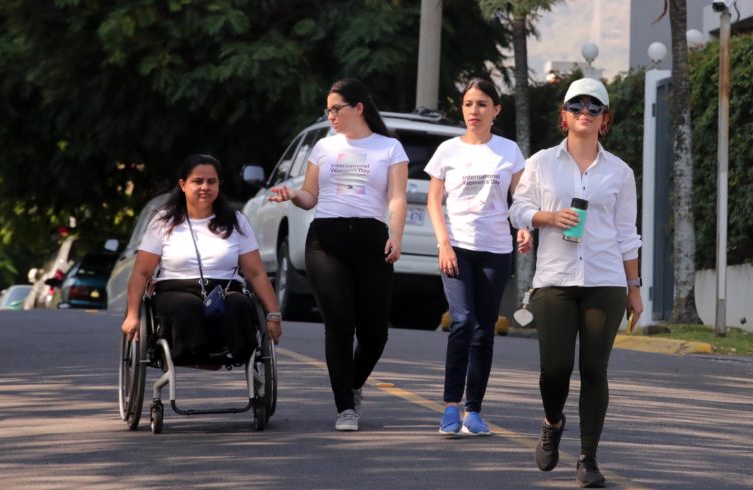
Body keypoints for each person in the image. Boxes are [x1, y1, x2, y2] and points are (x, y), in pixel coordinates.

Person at [509, 78, 643, 488]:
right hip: (555, 279)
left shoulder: (620, 172)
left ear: (605, 119)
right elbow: (518, 209)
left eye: (594, 107)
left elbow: (627, 233)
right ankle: (552, 422)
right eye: (576, 105)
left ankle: (588, 458)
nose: (585, 112)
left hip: (605, 280)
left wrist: (634, 287)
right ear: (563, 115)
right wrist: (547, 218)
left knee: (594, 369)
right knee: (555, 369)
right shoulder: (541, 163)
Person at [268, 78, 408, 431]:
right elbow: (310, 196)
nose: (330, 115)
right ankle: (345, 407)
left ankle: (353, 383)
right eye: (327, 109)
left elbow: (397, 197)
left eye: (336, 109)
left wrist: (396, 236)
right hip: (326, 240)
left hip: (372, 240)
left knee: (375, 334)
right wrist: (293, 195)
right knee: (339, 324)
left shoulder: (389, 148)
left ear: (358, 107)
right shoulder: (324, 147)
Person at [425, 78, 531, 436]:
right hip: (456, 248)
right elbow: (434, 201)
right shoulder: (448, 151)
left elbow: (521, 199)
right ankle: (450, 406)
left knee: (484, 331)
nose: (475, 110)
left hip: (496, 251)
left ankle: (473, 411)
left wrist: (524, 227)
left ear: (496, 110)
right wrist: (443, 243)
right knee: (463, 321)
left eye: (483, 104)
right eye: (469, 104)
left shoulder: (509, 151)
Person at [121, 154, 282, 367]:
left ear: (219, 185)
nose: (205, 187)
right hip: (175, 290)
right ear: (183, 185)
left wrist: (273, 315)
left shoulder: (236, 221)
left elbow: (256, 273)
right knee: (187, 307)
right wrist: (132, 315)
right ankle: (194, 353)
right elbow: (141, 272)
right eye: (198, 181)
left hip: (224, 290)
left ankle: (237, 352)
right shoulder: (164, 221)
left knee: (240, 305)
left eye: (211, 181)